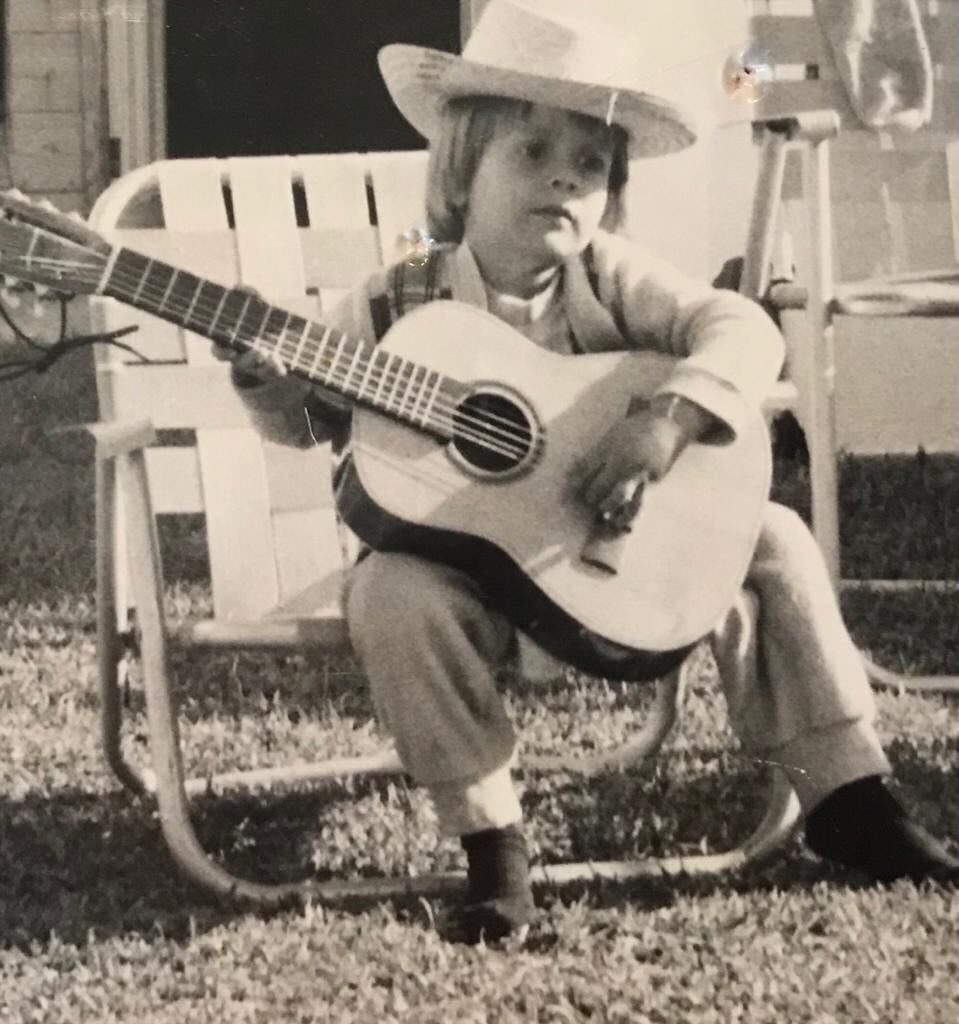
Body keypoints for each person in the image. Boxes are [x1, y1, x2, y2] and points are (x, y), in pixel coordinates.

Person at [224, 0, 958, 943]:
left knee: (772, 538)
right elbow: (307, 416)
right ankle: (494, 851)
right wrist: (268, 381)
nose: (565, 180)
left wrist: (663, 421)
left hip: (613, 572)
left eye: (591, 164)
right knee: (389, 594)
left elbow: (742, 326)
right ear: (459, 169)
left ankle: (854, 801)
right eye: (531, 155)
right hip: (472, 589)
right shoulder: (394, 298)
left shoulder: (611, 277)